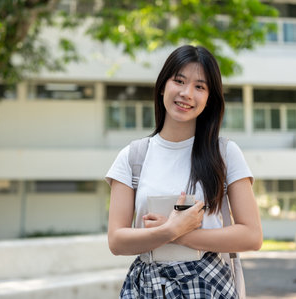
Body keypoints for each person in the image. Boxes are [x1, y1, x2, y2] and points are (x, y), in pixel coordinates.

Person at [105, 45, 262, 298]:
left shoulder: (225, 153)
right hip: (148, 287)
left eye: (200, 86)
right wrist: (170, 230)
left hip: (208, 285)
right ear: (162, 87)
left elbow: (252, 236)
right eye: (179, 81)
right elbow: (116, 241)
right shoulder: (133, 157)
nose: (187, 93)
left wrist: (182, 234)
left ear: (209, 98)